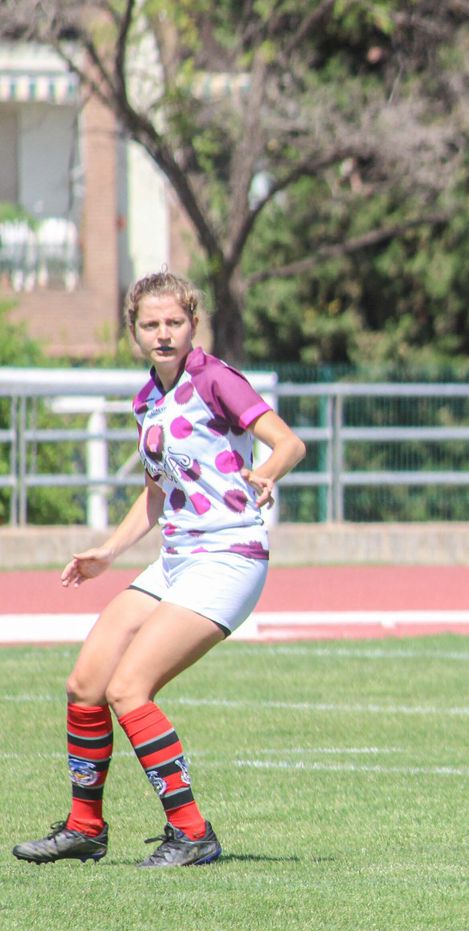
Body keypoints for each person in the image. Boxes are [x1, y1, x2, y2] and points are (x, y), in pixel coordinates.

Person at [12, 270, 305, 868]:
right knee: (86, 684)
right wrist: (107, 552)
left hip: (228, 556)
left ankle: (192, 834)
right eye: (151, 324)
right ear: (135, 332)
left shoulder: (216, 380)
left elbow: (290, 443)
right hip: (176, 559)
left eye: (174, 322)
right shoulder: (147, 399)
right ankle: (85, 828)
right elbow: (156, 493)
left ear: (193, 324)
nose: (163, 333)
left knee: (129, 689)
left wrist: (267, 472)